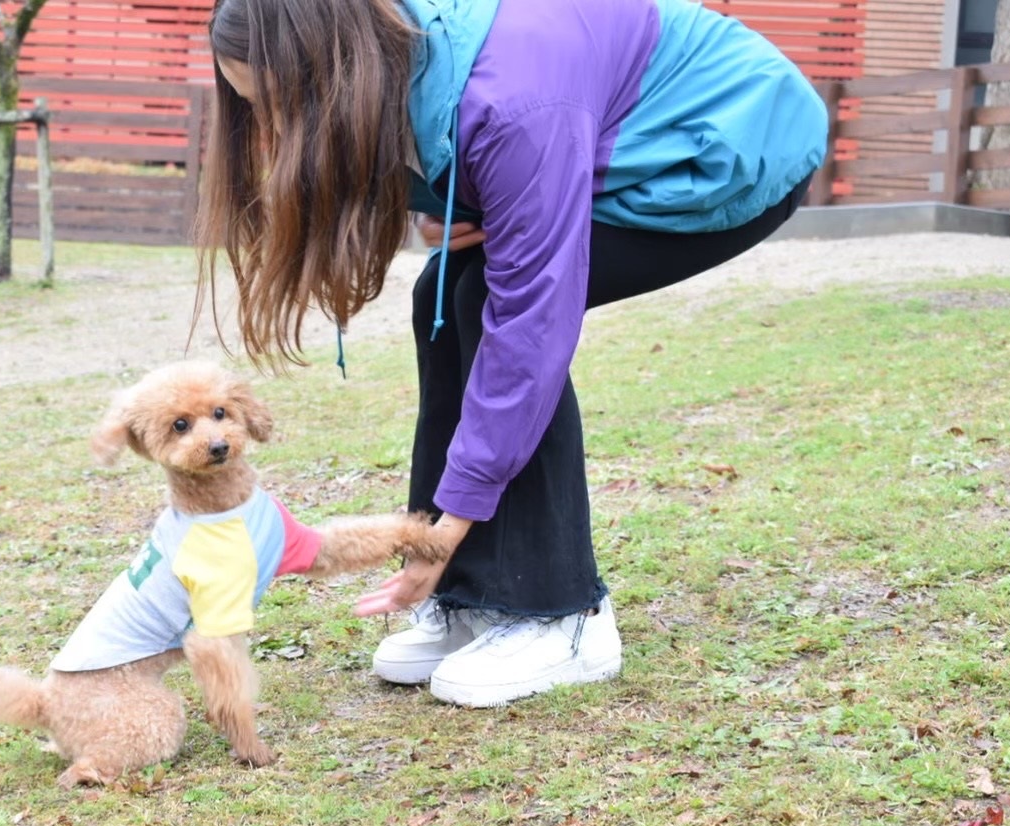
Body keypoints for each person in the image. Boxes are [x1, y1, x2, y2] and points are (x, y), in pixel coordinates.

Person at [195, 0, 827, 708]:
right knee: (442, 292)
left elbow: (532, 328)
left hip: (720, 146)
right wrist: (464, 201)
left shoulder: (512, 101)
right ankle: (473, 597)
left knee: (490, 307)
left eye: (283, 104)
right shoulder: (398, 49)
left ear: (336, 65)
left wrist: (449, 523)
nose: (276, 131)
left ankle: (561, 616)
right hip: (600, 129)